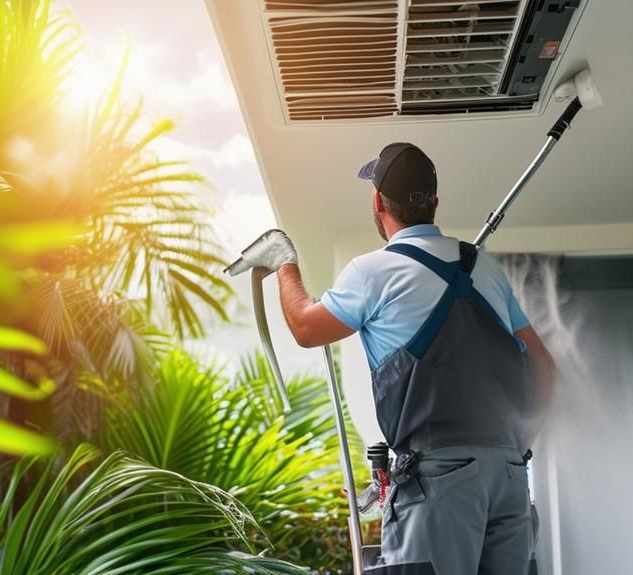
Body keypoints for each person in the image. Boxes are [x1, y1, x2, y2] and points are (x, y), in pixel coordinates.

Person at [232, 142, 556, 574]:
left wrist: (283, 261)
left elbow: (306, 328)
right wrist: (518, 444)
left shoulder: (371, 272)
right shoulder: (485, 268)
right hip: (509, 475)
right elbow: (544, 366)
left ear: (378, 202)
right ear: (435, 202)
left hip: (440, 477)